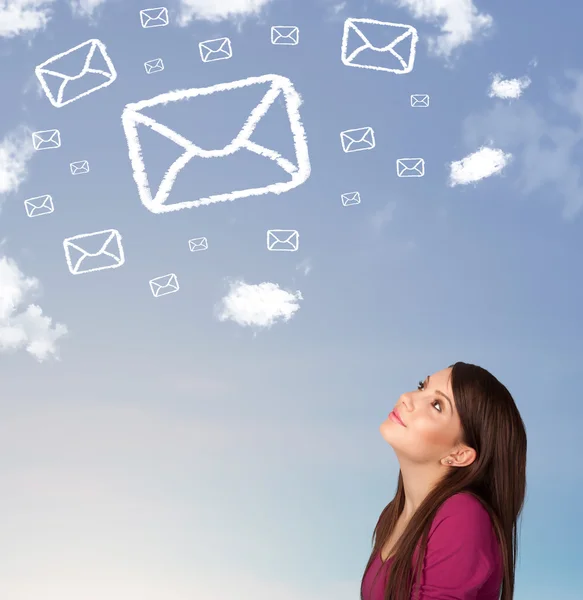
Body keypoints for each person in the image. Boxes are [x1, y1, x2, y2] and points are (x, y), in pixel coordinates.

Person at [361, 362, 527, 600]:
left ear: (458, 455)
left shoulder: (463, 516)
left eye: (437, 405)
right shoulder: (393, 516)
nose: (407, 397)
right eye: (422, 387)